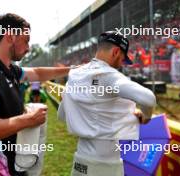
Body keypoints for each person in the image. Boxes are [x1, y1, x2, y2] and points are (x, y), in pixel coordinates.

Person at [0, 13, 71, 176]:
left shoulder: (8, 69)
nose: (28, 47)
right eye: (26, 40)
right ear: (10, 37)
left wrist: (74, 70)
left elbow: (38, 73)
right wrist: (27, 120)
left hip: (12, 167)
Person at [58, 31, 156, 176]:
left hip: (81, 160)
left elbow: (62, 114)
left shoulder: (74, 74)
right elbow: (149, 98)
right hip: (105, 164)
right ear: (116, 51)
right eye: (123, 58)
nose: (121, 64)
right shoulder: (108, 75)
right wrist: (146, 116)